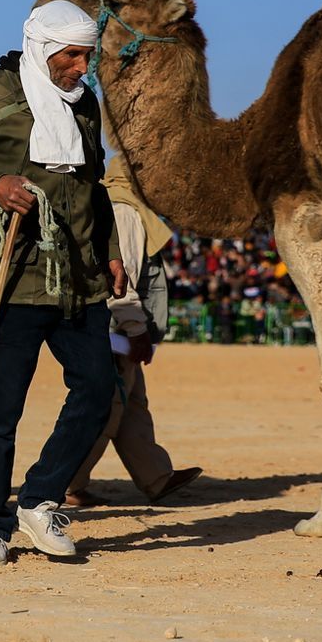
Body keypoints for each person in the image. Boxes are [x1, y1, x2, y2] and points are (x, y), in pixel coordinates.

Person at [0, 0, 126, 565]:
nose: (81, 67)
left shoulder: (85, 105)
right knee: (0, 410)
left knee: (98, 390)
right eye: (72, 55)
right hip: (7, 277)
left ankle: (39, 499)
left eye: (86, 56)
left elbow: (92, 185)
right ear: (42, 48)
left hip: (78, 280)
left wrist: (109, 251)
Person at [66, 147, 201, 507]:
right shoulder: (124, 211)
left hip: (118, 332)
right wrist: (136, 329)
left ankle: (156, 477)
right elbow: (120, 281)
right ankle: (66, 481)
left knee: (132, 405)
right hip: (115, 331)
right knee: (106, 408)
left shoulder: (123, 204)